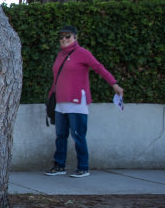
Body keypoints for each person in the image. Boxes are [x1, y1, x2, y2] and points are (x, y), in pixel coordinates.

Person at [45, 26, 124, 178]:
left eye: (67, 36)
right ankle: (59, 165)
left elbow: (99, 68)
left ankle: (83, 167)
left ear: (75, 37)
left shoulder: (82, 53)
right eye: (61, 37)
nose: (64, 39)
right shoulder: (60, 55)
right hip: (60, 103)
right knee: (60, 136)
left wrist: (114, 84)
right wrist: (51, 97)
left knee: (78, 135)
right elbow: (56, 79)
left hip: (77, 102)